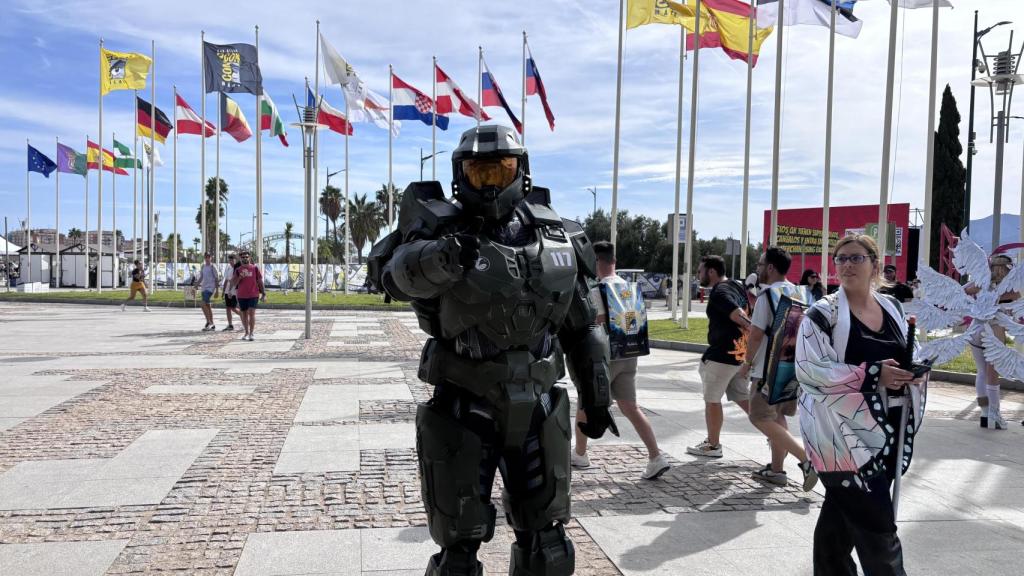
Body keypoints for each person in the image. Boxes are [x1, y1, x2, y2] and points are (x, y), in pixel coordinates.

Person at [369, 125, 617, 576]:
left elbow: (583, 327)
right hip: (464, 407)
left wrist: (597, 396)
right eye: (477, 171)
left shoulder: (557, 235)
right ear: (459, 175)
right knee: (458, 552)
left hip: (540, 406)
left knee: (548, 543)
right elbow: (393, 275)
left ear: (521, 171)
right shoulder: (439, 231)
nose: (488, 183)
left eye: (499, 170)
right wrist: (439, 259)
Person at [796, 234, 926, 576]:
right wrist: (872, 374)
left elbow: (910, 352)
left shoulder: (892, 308)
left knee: (836, 528)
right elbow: (810, 371)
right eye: (841, 259)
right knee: (876, 525)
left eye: (856, 258)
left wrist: (912, 371)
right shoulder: (821, 315)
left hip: (889, 431)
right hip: (840, 436)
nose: (847, 265)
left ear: (875, 265)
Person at [572, 240, 670, 481]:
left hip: (606, 357)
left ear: (596, 261)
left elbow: (596, 323)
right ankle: (656, 456)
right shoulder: (629, 288)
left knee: (586, 402)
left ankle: (580, 454)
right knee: (630, 407)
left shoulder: (599, 290)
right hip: (629, 355)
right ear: (614, 261)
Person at [739, 248, 817, 490]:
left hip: (767, 369)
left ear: (771, 267)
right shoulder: (800, 292)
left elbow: (756, 334)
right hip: (791, 368)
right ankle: (776, 470)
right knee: (778, 416)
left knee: (759, 416)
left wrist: (747, 363)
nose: (758, 268)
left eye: (761, 264)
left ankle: (806, 460)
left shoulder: (767, 296)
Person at [687, 255, 751, 458]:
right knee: (743, 398)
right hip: (738, 355)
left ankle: (713, 445)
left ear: (712, 271)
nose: (698, 274)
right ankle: (775, 433)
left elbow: (739, 314)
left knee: (712, 400)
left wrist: (752, 329)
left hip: (721, 358)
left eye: (700, 271)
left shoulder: (719, 292)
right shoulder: (736, 286)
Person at [967, 253, 1018, 430]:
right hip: (994, 328)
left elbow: (965, 291)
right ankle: (995, 415)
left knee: (981, 372)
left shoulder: (981, 282)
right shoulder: (1012, 287)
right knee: (992, 374)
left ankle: (984, 412)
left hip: (975, 328)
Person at [232, 251, 265, 341]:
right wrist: (239, 278)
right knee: (244, 314)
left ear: (249, 258)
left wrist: (263, 293)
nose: (245, 258)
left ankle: (251, 333)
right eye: (243, 257)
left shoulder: (255, 268)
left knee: (252, 313)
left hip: (253, 294)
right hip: (242, 295)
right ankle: (246, 332)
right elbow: (234, 283)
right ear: (240, 259)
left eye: (246, 257)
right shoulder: (238, 270)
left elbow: (260, 281)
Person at [196, 252, 220, 331]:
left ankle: (209, 322)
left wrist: (217, 290)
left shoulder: (213, 266)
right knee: (207, 306)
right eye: (206, 257)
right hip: (204, 288)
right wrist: (196, 285)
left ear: (211, 257)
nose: (207, 258)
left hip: (210, 288)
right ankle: (212, 324)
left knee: (202, 304)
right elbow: (201, 277)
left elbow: (216, 278)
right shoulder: (203, 266)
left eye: (208, 257)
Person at [221, 254, 241, 331]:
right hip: (227, 291)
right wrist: (223, 291)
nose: (231, 262)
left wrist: (231, 291)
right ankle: (230, 324)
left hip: (234, 291)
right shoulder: (228, 268)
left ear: (235, 260)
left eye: (232, 260)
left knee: (234, 308)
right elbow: (226, 280)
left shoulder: (237, 268)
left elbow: (235, 281)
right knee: (228, 308)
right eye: (229, 260)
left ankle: (245, 318)